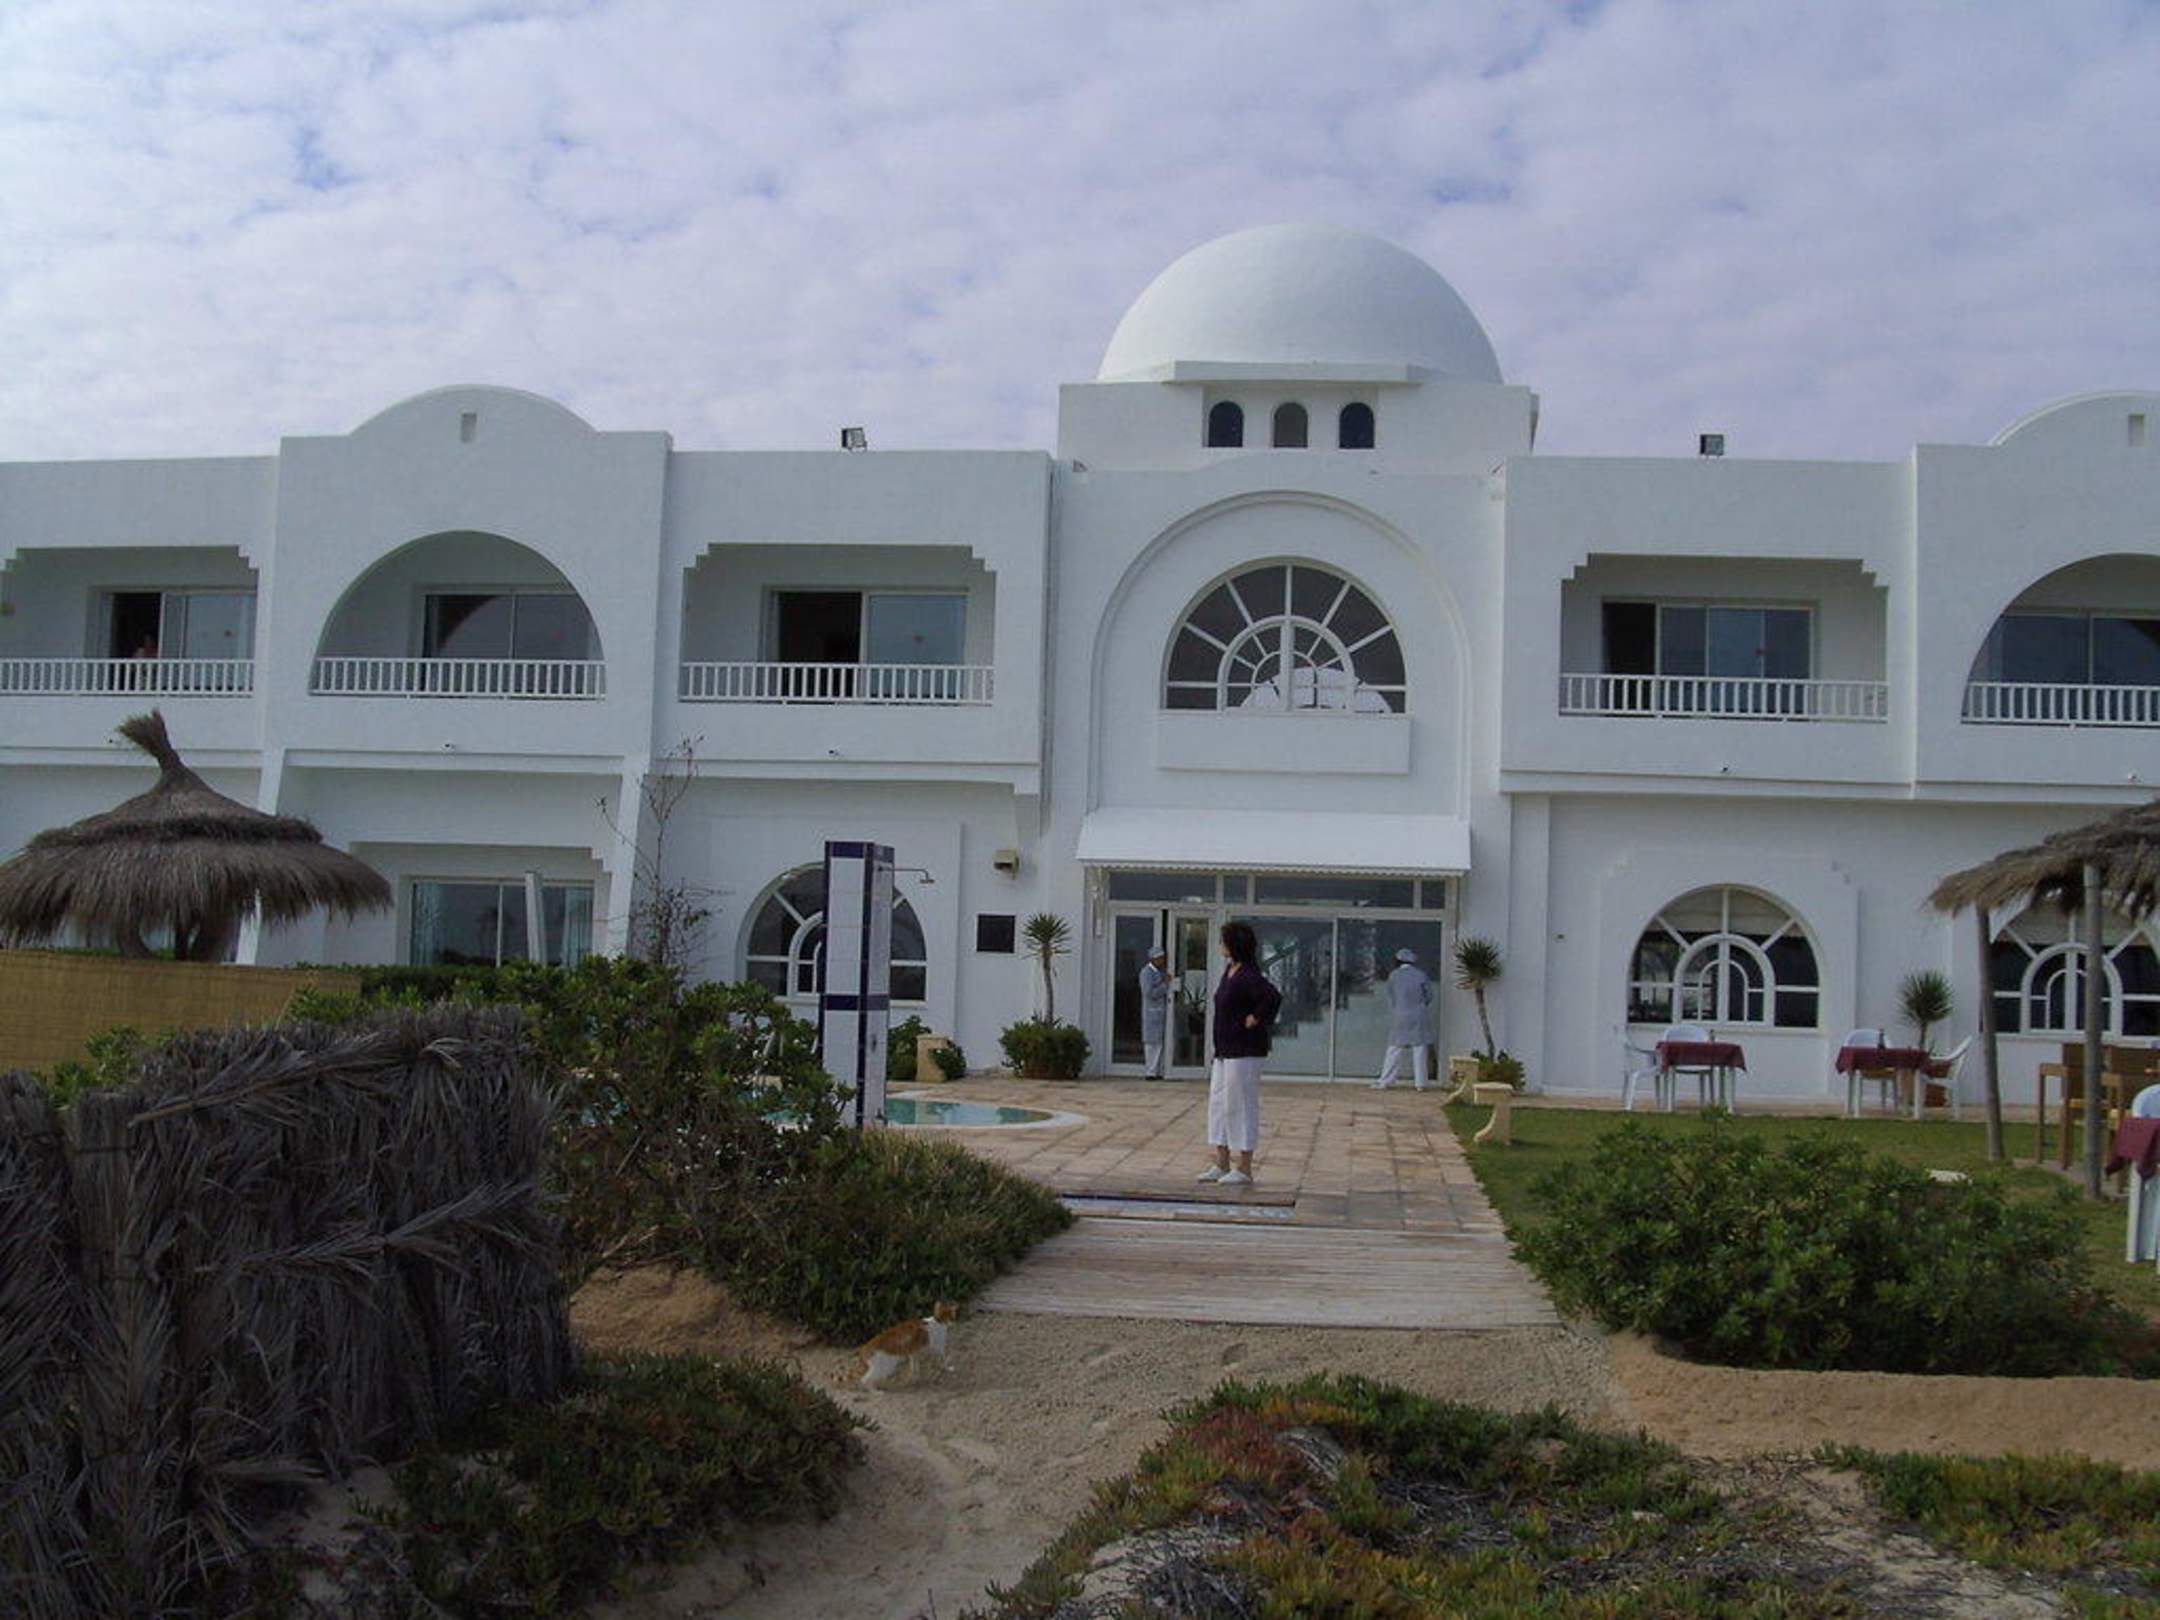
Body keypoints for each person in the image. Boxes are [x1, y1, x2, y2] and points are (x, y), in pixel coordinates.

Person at [1199, 920, 1281, 1187]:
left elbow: (1272, 997)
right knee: (1219, 1104)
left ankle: (1244, 1166)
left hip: (1245, 1051)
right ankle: (1221, 1161)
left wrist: (1255, 1018)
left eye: (1223, 940)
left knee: (1241, 1105)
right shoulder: (1229, 971)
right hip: (1224, 1050)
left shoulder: (1249, 975)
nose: (1220, 945)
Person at [1372, 947, 1435, 1090]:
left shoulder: (1394, 976)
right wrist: (1420, 1005)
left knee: (1394, 1048)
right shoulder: (1421, 975)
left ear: (1398, 961)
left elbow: (1391, 996)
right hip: (1419, 1015)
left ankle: (1386, 1080)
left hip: (1400, 1014)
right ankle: (1421, 1083)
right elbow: (1429, 996)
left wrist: (1398, 1007)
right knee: (1419, 1049)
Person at [1138, 947, 1171, 1079]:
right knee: (1151, 1044)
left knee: (1159, 1044)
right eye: (1159, 958)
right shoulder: (1146, 972)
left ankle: (1158, 1070)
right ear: (1153, 959)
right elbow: (1149, 992)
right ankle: (1150, 1072)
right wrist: (1165, 985)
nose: (1162, 961)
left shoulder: (1159, 972)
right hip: (1151, 1012)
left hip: (1159, 1012)